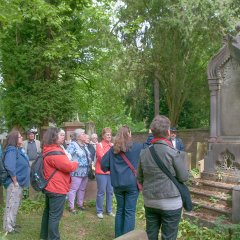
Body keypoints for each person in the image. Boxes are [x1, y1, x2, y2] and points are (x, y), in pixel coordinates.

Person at [137, 115, 189, 240]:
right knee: (169, 237)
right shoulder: (173, 153)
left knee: (151, 235)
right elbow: (183, 177)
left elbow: (139, 177)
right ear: (168, 132)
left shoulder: (144, 153)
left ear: (153, 133)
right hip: (170, 202)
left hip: (150, 201)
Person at [101, 125, 143, 238]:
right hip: (131, 184)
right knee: (129, 211)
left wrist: (114, 169)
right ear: (129, 134)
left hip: (118, 184)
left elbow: (103, 165)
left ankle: (119, 237)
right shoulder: (137, 147)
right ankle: (127, 238)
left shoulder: (113, 149)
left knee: (120, 210)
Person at [40, 127, 78, 240]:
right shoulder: (55, 152)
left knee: (48, 213)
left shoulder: (48, 148)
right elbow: (69, 166)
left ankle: (44, 236)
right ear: (54, 137)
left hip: (50, 186)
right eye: (60, 135)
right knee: (54, 216)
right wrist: (75, 163)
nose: (63, 137)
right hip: (57, 188)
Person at [3, 130, 30, 234]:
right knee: (10, 205)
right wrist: (15, 181)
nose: (22, 138)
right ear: (14, 139)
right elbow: (9, 166)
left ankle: (12, 224)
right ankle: (7, 227)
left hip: (18, 183)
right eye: (19, 137)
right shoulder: (11, 150)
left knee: (15, 204)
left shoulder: (17, 149)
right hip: (13, 183)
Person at [67, 128, 92, 213]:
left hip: (85, 171)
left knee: (82, 189)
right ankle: (71, 207)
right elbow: (67, 156)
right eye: (83, 134)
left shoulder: (84, 145)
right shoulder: (73, 145)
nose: (85, 135)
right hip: (76, 171)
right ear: (78, 137)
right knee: (73, 189)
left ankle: (80, 204)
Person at [95, 127, 114, 219]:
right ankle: (99, 211)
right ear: (103, 136)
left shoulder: (113, 146)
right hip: (101, 172)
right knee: (101, 191)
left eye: (110, 134)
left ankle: (109, 210)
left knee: (110, 192)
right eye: (107, 134)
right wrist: (112, 161)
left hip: (111, 173)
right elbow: (101, 158)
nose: (109, 136)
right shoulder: (99, 145)